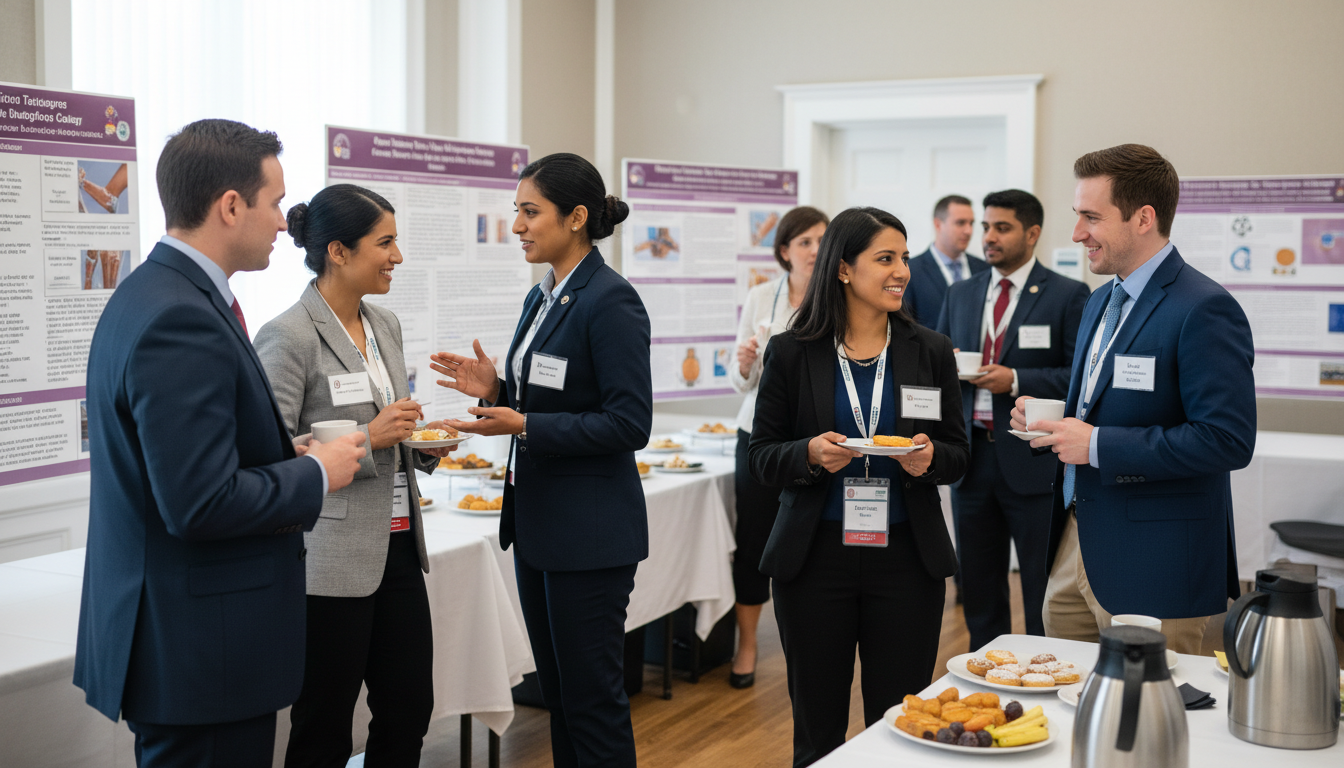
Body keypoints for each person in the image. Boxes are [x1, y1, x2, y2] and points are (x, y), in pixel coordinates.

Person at [73, 119, 367, 767]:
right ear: (231, 206)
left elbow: (180, 468)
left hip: (192, 644)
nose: (287, 223)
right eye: (276, 203)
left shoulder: (154, 294)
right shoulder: (181, 316)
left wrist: (277, 458)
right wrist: (316, 472)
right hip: (204, 652)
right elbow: (200, 502)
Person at [429, 153, 651, 768]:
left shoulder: (611, 301)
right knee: (561, 697)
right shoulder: (543, 296)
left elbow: (629, 422)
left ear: (577, 217)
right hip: (540, 528)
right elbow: (549, 396)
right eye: (516, 212)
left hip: (591, 534)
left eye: (531, 212)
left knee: (593, 703)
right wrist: (496, 391)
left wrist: (524, 421)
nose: (518, 226)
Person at [1011, 144, 1256, 655]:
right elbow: (1103, 402)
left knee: (1149, 721)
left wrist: (1097, 443)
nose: (1077, 233)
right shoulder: (1101, 298)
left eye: (1091, 217)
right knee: (1067, 700)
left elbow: (1227, 440)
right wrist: (1057, 424)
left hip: (1156, 561)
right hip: (1076, 544)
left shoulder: (1205, 308)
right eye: (1077, 216)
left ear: (1144, 218)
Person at [750, 206, 967, 767]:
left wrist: (928, 461)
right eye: (885, 259)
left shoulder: (931, 351)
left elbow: (957, 453)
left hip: (906, 562)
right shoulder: (792, 351)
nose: (902, 272)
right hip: (815, 561)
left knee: (898, 728)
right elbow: (762, 456)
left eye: (904, 259)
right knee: (817, 732)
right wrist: (810, 454)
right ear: (844, 269)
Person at [254, 184, 458, 767]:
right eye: (386, 242)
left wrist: (423, 442)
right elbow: (272, 457)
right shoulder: (289, 335)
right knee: (323, 724)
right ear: (339, 251)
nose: (398, 256)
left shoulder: (385, 324)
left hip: (397, 548)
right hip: (329, 561)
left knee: (409, 710)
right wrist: (371, 438)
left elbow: (394, 429)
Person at [935, 189, 1090, 651]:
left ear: (1032, 233)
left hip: (1033, 461)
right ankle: (988, 672)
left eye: (1001, 228)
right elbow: (938, 366)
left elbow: (1077, 377)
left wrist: (1017, 378)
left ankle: (1045, 670)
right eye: (985, 227)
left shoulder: (1067, 295)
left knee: (1042, 587)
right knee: (979, 586)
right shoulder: (960, 293)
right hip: (971, 459)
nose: (988, 237)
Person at [727, 205, 828, 688]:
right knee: (753, 543)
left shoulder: (837, 298)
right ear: (784, 250)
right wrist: (746, 361)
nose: (814, 250)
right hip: (759, 435)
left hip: (812, 438)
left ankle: (804, 644)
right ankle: (747, 645)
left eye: (821, 241)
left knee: (809, 543)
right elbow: (738, 383)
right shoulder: (760, 296)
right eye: (804, 241)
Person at [903, 194, 989, 327]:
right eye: (960, 223)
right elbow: (905, 327)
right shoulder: (910, 271)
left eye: (971, 223)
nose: (968, 231)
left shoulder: (984, 269)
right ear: (938, 224)